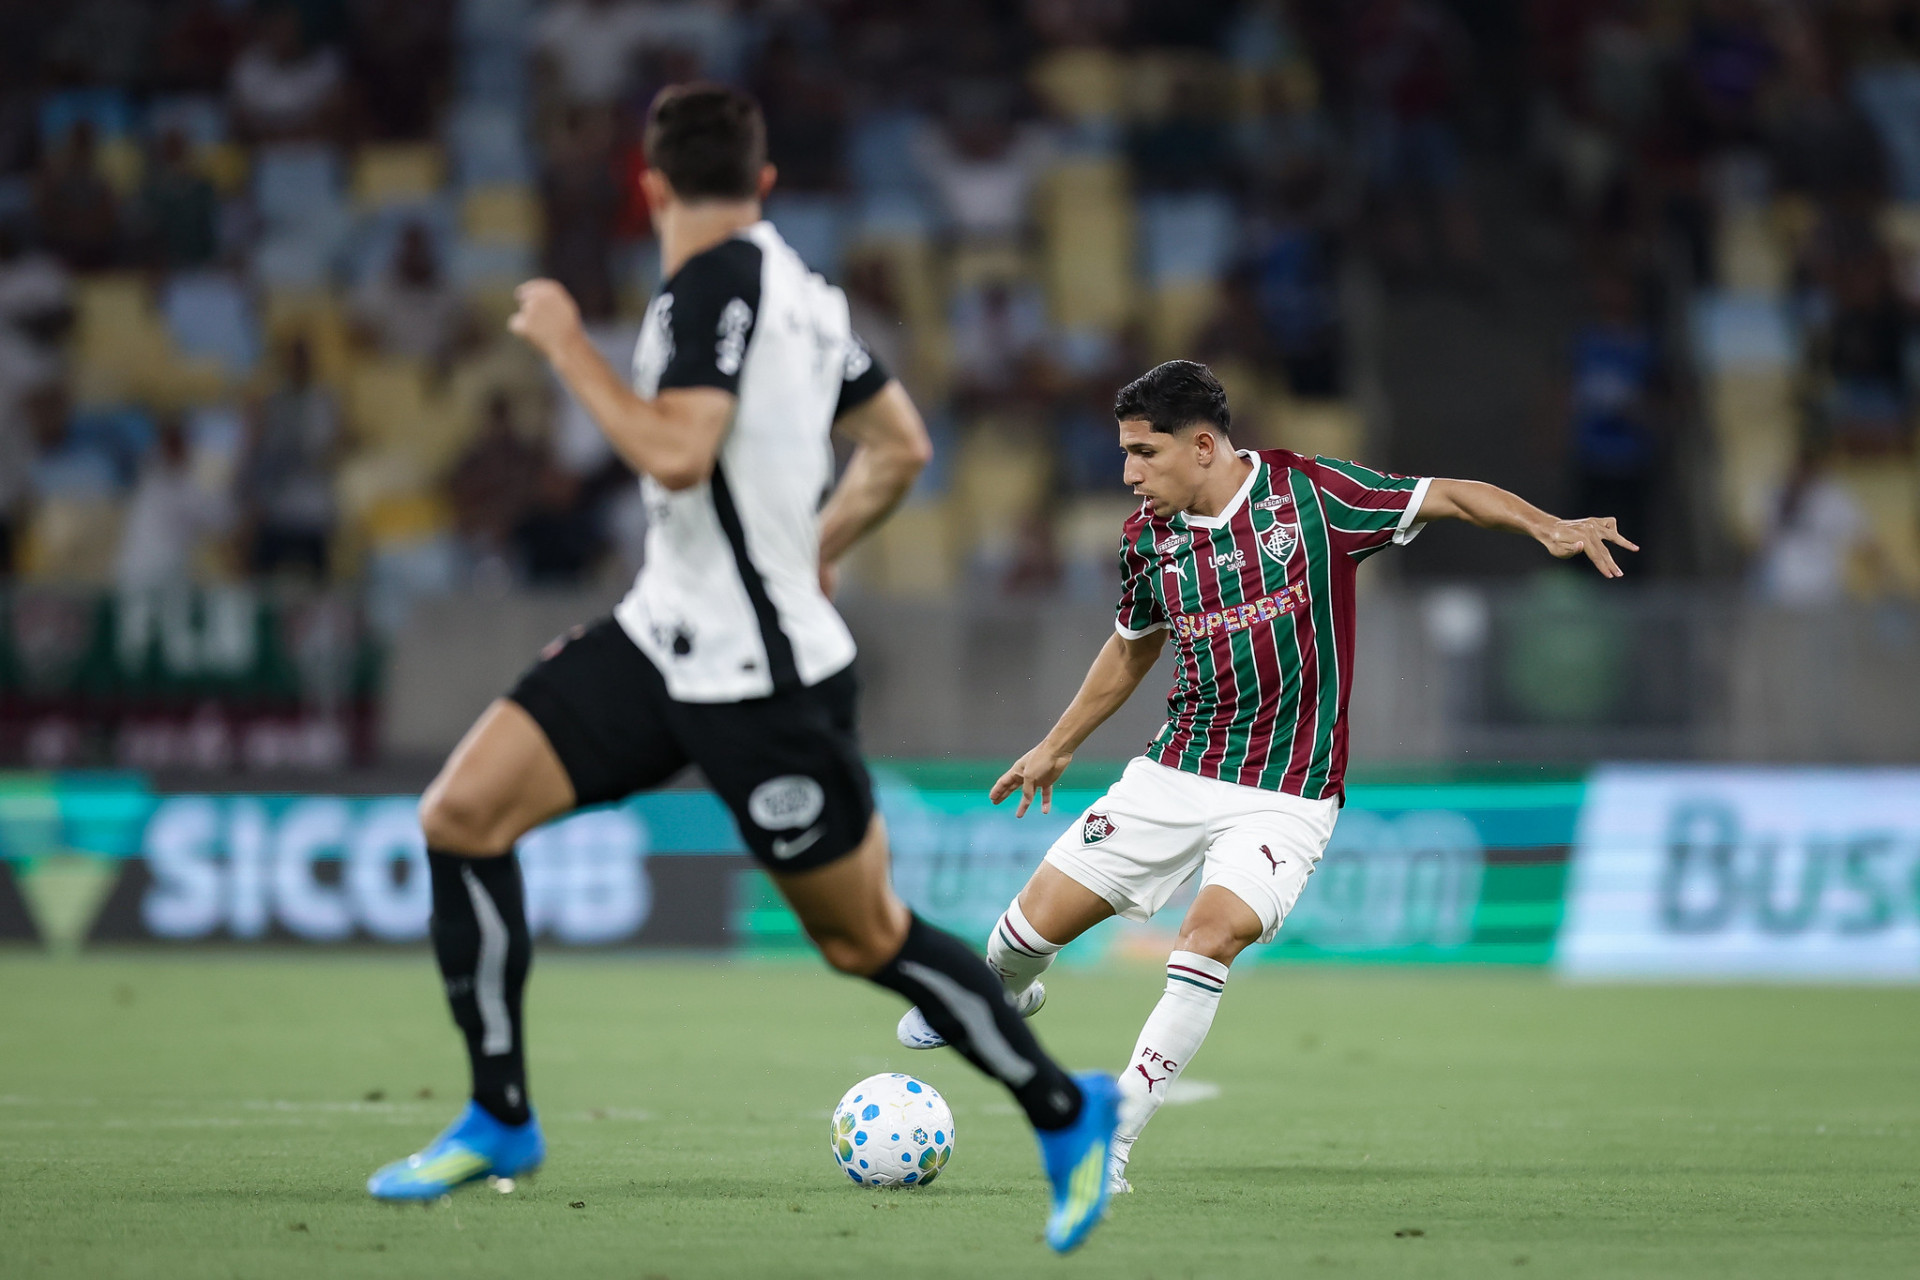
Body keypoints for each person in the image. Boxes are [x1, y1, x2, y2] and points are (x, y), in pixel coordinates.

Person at [366, 85, 1121, 1254]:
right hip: (664, 630)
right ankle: (500, 1116)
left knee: (864, 937)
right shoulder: (810, 298)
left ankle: (1067, 1109)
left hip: (761, 679)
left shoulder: (714, 281)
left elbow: (678, 448)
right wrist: (813, 546)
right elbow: (902, 445)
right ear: (765, 184)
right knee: (462, 814)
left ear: (650, 188)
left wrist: (566, 341)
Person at [896, 360, 1636, 1193]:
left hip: (1286, 795)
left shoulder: (1311, 497)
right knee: (1020, 940)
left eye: (1144, 452)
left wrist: (1547, 525)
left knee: (1208, 937)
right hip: (1175, 771)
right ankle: (1003, 991)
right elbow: (1133, 646)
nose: (1129, 473)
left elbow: (1449, 494)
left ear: (1204, 445)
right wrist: (1058, 744)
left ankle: (1113, 1140)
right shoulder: (1148, 538)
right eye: (1125, 454)